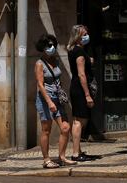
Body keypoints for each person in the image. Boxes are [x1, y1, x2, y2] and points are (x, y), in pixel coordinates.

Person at [34, 34, 76, 169]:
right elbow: (40, 85)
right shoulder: (39, 64)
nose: (52, 48)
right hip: (45, 98)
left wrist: (61, 94)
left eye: (53, 45)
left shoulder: (55, 60)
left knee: (65, 127)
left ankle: (62, 157)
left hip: (57, 97)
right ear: (43, 48)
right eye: (49, 46)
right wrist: (49, 102)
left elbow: (58, 79)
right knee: (46, 129)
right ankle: (46, 159)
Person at [67, 25, 98, 161]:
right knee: (80, 121)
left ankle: (78, 150)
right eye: (84, 34)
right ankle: (75, 153)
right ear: (78, 36)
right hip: (80, 89)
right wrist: (87, 94)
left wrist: (88, 61)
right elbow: (81, 74)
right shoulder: (79, 52)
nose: (86, 36)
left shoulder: (73, 50)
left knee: (77, 120)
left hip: (75, 87)